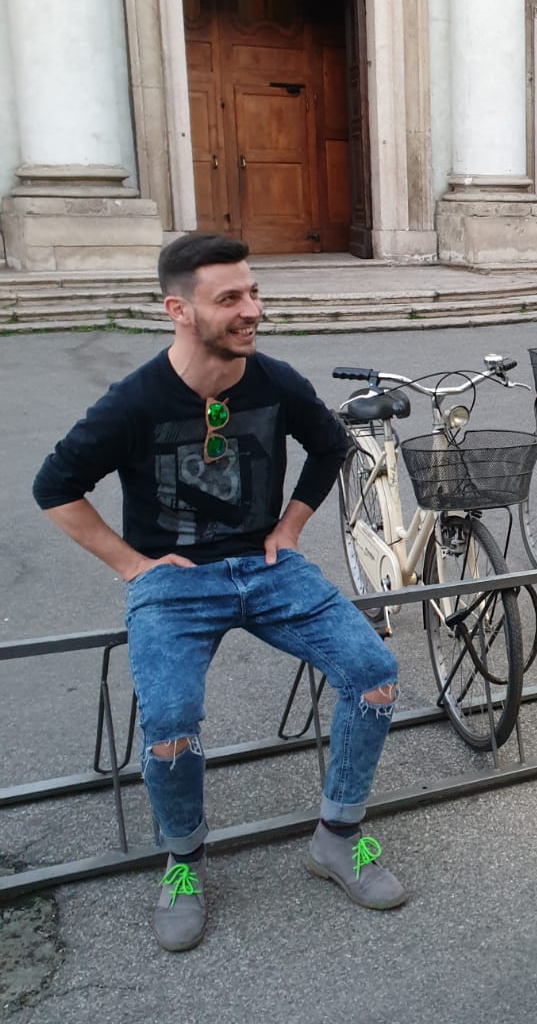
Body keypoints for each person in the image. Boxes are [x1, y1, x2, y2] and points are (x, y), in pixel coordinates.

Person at [32, 233, 406, 952]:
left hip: (267, 568)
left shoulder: (275, 382)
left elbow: (331, 446)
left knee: (374, 675)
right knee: (170, 719)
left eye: (253, 293)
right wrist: (131, 565)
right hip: (175, 583)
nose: (252, 310)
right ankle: (184, 858)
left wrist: (290, 528)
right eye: (230, 298)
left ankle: (338, 835)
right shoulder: (135, 401)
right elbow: (55, 486)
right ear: (179, 310)